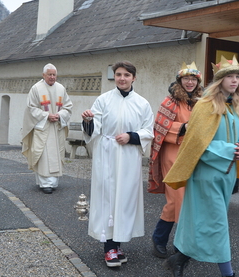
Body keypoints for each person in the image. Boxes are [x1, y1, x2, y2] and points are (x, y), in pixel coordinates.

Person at [162, 55, 239, 277]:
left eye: (237, 77)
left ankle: (179, 259)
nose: (234, 81)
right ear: (219, 80)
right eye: (229, 76)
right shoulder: (204, 105)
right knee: (218, 222)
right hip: (206, 174)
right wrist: (229, 150)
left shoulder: (237, 107)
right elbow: (197, 143)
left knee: (200, 219)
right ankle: (227, 272)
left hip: (227, 175)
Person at [81, 61, 154, 268]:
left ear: (134, 78)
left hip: (129, 157)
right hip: (107, 155)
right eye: (119, 74)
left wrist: (132, 136)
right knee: (107, 198)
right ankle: (109, 248)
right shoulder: (103, 100)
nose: (122, 78)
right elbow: (94, 128)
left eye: (127, 75)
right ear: (115, 76)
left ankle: (118, 244)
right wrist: (88, 121)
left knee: (124, 199)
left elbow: (149, 130)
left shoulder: (142, 103)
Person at [148, 62, 203, 258]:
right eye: (187, 79)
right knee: (176, 200)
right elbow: (160, 127)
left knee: (189, 202)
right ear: (180, 80)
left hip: (194, 155)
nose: (190, 82)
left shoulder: (201, 101)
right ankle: (174, 245)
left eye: (194, 79)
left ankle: (165, 240)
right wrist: (183, 128)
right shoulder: (169, 101)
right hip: (173, 154)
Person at [22, 63, 73, 194]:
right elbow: (31, 108)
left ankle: (53, 182)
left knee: (56, 154)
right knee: (43, 155)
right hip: (43, 128)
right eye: (49, 74)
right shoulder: (36, 88)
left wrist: (60, 115)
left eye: (54, 74)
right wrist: (46, 115)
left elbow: (68, 107)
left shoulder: (61, 88)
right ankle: (44, 183)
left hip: (56, 128)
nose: (52, 77)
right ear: (43, 75)